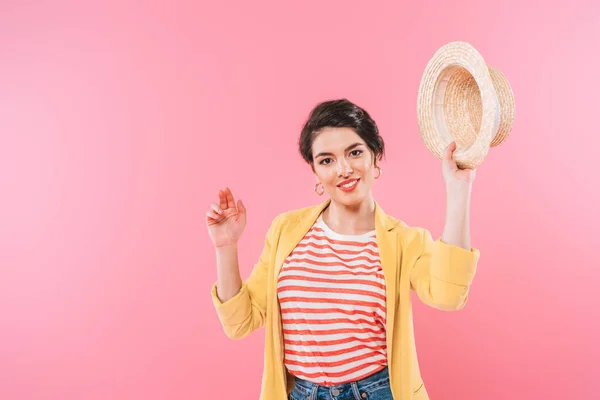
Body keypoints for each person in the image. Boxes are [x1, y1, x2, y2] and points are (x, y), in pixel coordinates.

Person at [206, 99, 480, 400]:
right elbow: (241, 322)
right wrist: (226, 246)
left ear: (375, 158)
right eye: (327, 160)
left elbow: (449, 295)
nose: (344, 169)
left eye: (355, 152)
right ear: (315, 173)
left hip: (375, 392)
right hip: (300, 393)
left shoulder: (404, 240)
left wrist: (458, 192)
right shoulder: (286, 230)